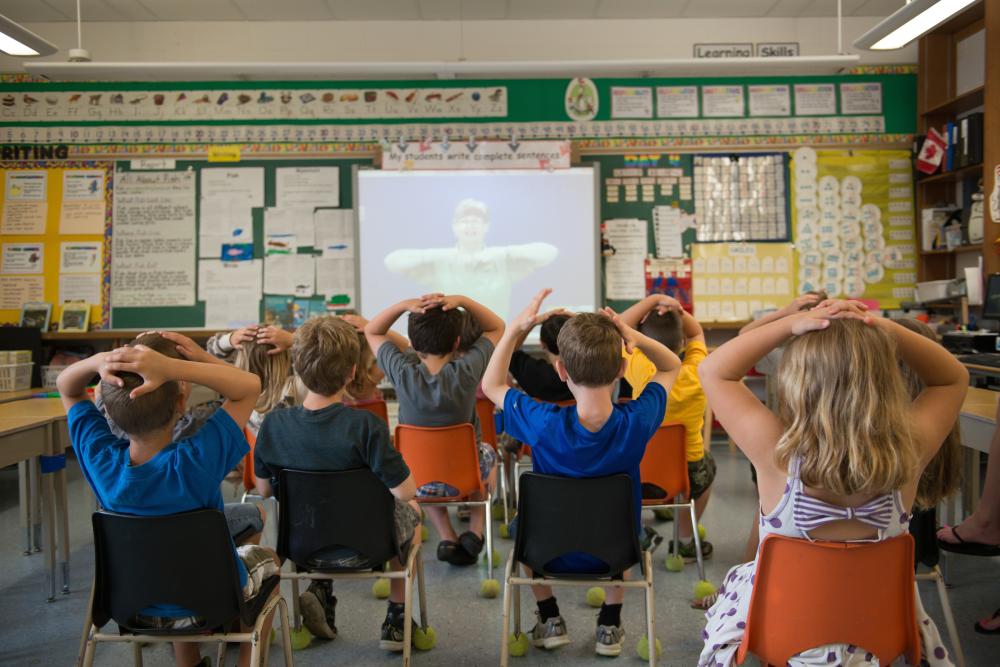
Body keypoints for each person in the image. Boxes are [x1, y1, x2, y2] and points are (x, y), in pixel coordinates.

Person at [696, 300, 967, 666]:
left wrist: (792, 322)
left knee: (740, 578)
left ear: (798, 381)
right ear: (887, 380)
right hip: (876, 637)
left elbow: (714, 370)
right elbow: (952, 377)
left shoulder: (777, 455)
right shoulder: (909, 453)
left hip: (781, 633)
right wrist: (878, 328)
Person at [57, 332, 277, 667]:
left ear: (109, 412)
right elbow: (248, 386)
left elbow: (67, 385)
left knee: (167, 560)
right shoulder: (197, 461)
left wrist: (99, 361)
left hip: (130, 606)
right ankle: (245, 660)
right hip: (210, 602)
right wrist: (176, 367)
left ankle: (187, 660)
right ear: (180, 403)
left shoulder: (99, 459)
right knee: (269, 560)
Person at [482, 289, 681, 657]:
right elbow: (671, 366)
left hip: (545, 551)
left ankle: (550, 617)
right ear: (622, 369)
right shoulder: (637, 421)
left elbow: (492, 385)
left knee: (525, 529)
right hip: (618, 551)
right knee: (619, 524)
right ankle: (609, 623)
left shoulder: (542, 423)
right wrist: (631, 334)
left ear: (561, 370)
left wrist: (514, 331)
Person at [252, 316, 422, 650]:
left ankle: (320, 588)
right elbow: (406, 491)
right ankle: (396, 617)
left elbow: (264, 491)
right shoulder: (366, 426)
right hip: (370, 547)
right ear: (351, 373)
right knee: (411, 509)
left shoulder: (273, 425)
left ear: (297, 368)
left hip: (300, 546)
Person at [364, 293, 504, 566]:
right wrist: (463, 300)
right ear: (457, 342)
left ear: (412, 345)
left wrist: (404, 304)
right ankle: (475, 530)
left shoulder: (402, 372)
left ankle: (447, 536)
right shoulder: (467, 370)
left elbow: (372, 329)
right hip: (468, 475)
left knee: (425, 465)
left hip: (419, 481)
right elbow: (496, 326)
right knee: (487, 453)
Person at [619, 294, 712, 564]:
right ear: (681, 342)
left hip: (642, 469)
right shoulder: (698, 370)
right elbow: (696, 333)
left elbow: (618, 327)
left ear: (639, 340)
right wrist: (678, 311)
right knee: (709, 471)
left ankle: (635, 533)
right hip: (686, 474)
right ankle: (684, 539)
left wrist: (653, 301)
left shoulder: (638, 366)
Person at [383, 198, 558, 320]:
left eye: (476, 221)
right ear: (454, 226)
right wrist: (452, 257)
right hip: (450, 346)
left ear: (486, 226)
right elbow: (392, 261)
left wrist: (497, 254)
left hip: (494, 343)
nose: (471, 226)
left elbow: (549, 252)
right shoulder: (441, 262)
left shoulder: (501, 261)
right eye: (465, 221)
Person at [507, 308, 574, 404]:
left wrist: (532, 323)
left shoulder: (532, 372)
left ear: (542, 343)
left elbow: (508, 352)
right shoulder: (586, 373)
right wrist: (580, 321)